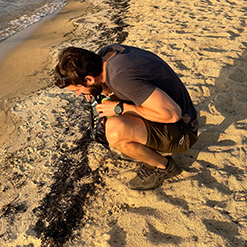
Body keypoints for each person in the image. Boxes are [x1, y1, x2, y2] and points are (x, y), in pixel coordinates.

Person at [55, 44, 198, 190]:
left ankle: (163, 166)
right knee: (107, 107)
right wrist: (96, 94)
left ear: (90, 79)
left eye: (78, 89)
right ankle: (141, 148)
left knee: (115, 131)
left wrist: (121, 108)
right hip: (170, 109)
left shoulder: (121, 78)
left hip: (182, 130)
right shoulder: (107, 54)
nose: (79, 94)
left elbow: (172, 115)